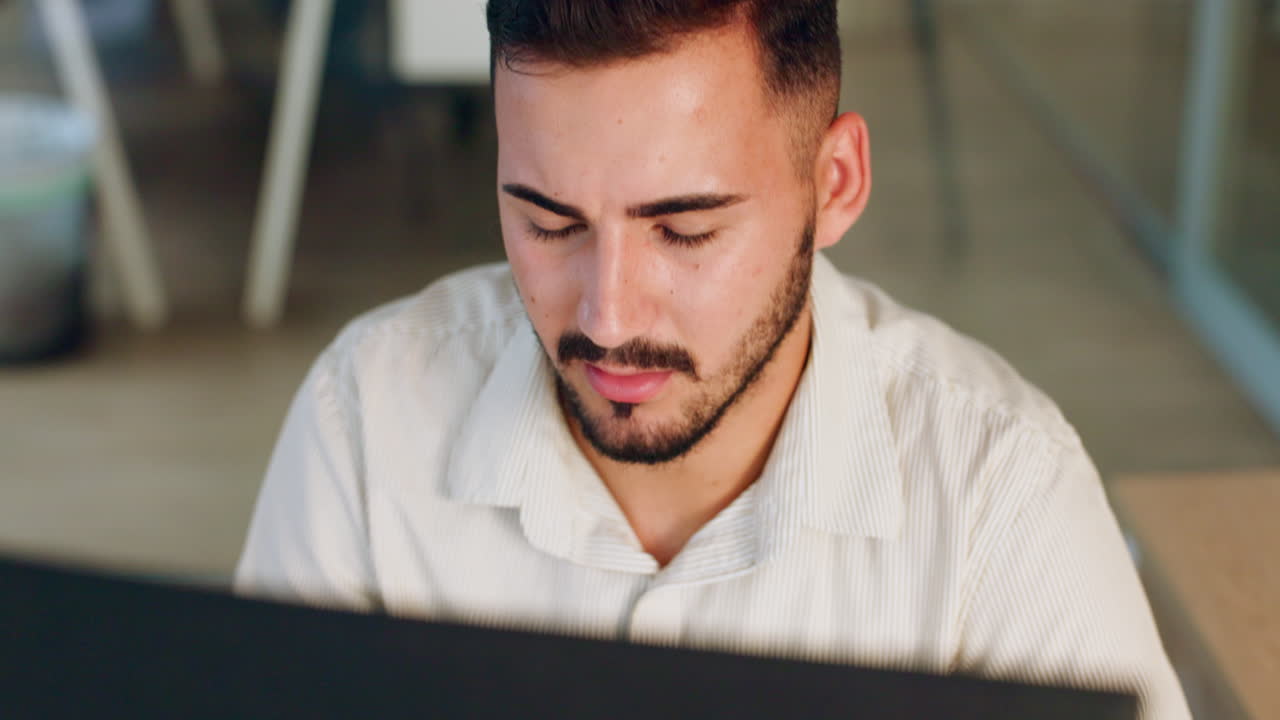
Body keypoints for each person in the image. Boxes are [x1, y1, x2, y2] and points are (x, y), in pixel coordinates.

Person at [235, 2, 1189, 717]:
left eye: (685, 230)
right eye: (547, 221)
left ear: (836, 184)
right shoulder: (363, 419)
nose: (607, 317)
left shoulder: (997, 494)